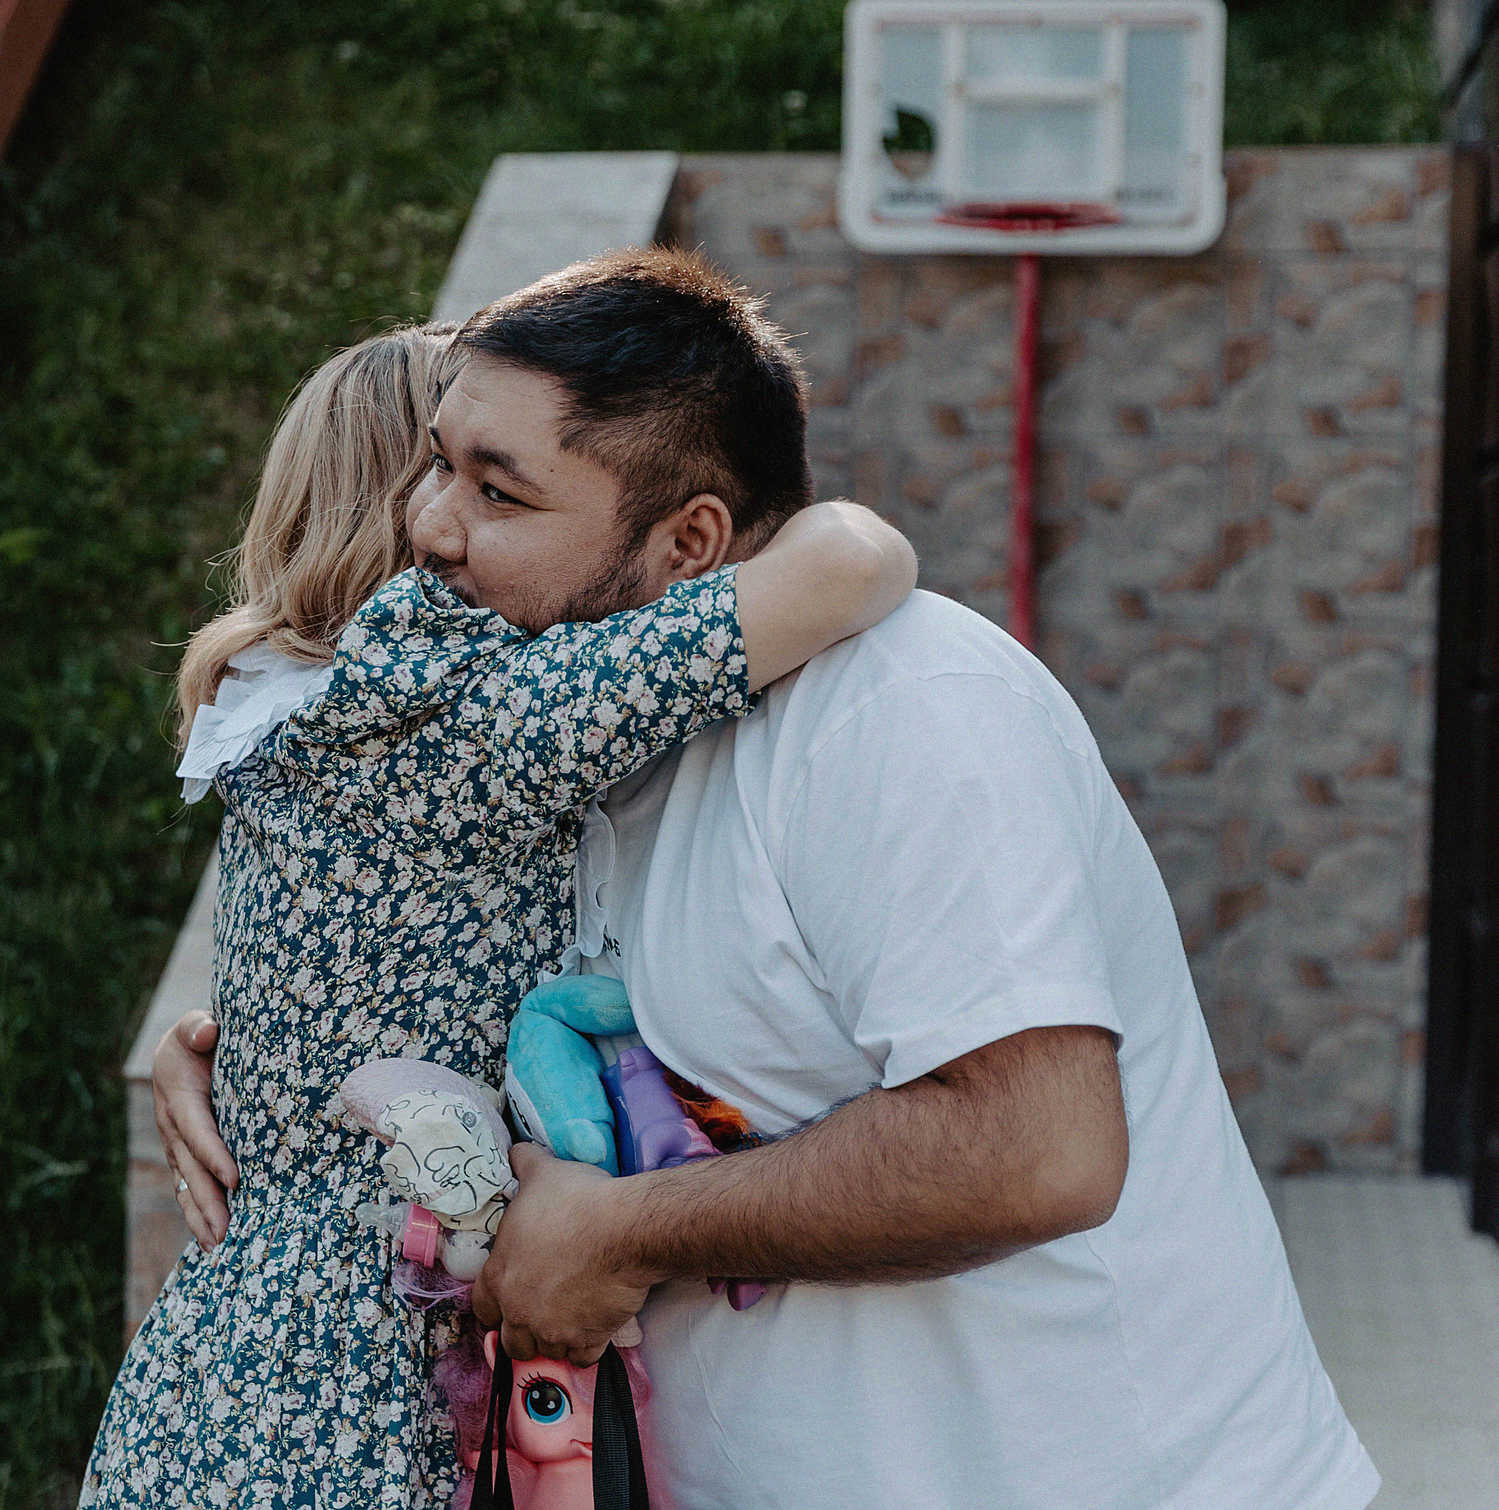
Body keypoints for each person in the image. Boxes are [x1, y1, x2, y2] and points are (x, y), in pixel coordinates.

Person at [154, 248, 1379, 1510]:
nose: (429, 529)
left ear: (690, 545)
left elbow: (1037, 1149)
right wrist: (256, 1058)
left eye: (500, 494)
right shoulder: (577, 736)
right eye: (437, 467)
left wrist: (617, 1235)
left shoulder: (903, 708)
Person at [84, 324, 915, 1508]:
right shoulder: (476, 721)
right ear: (413, 517)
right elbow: (846, 561)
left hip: (220, 1382)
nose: (461, 510)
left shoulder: (305, 720)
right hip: (360, 1408)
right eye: (466, 475)